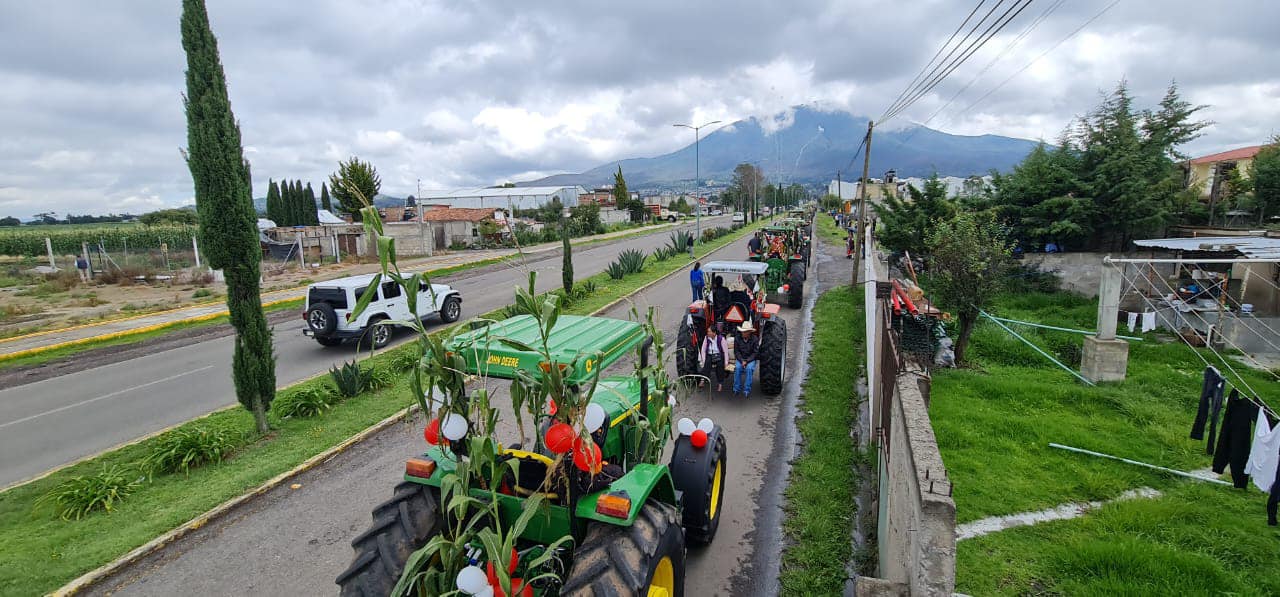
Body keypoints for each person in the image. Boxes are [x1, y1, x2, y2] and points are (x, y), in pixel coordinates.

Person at [732, 321, 760, 397]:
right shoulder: (737, 338)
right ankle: (736, 389)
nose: (743, 333)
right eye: (742, 331)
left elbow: (755, 353)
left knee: (749, 369)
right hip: (741, 358)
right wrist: (742, 360)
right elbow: (736, 351)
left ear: (749, 332)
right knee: (737, 368)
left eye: (744, 332)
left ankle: (747, 390)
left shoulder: (755, 339)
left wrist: (747, 361)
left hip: (750, 359)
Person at [699, 323, 729, 391]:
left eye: (709, 331)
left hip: (718, 355)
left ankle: (720, 384)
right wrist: (703, 360)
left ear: (714, 333)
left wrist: (726, 362)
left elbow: (725, 352)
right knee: (707, 363)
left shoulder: (721, 339)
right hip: (710, 354)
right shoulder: (706, 338)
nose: (708, 333)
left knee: (720, 366)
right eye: (708, 331)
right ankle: (703, 380)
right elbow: (703, 350)